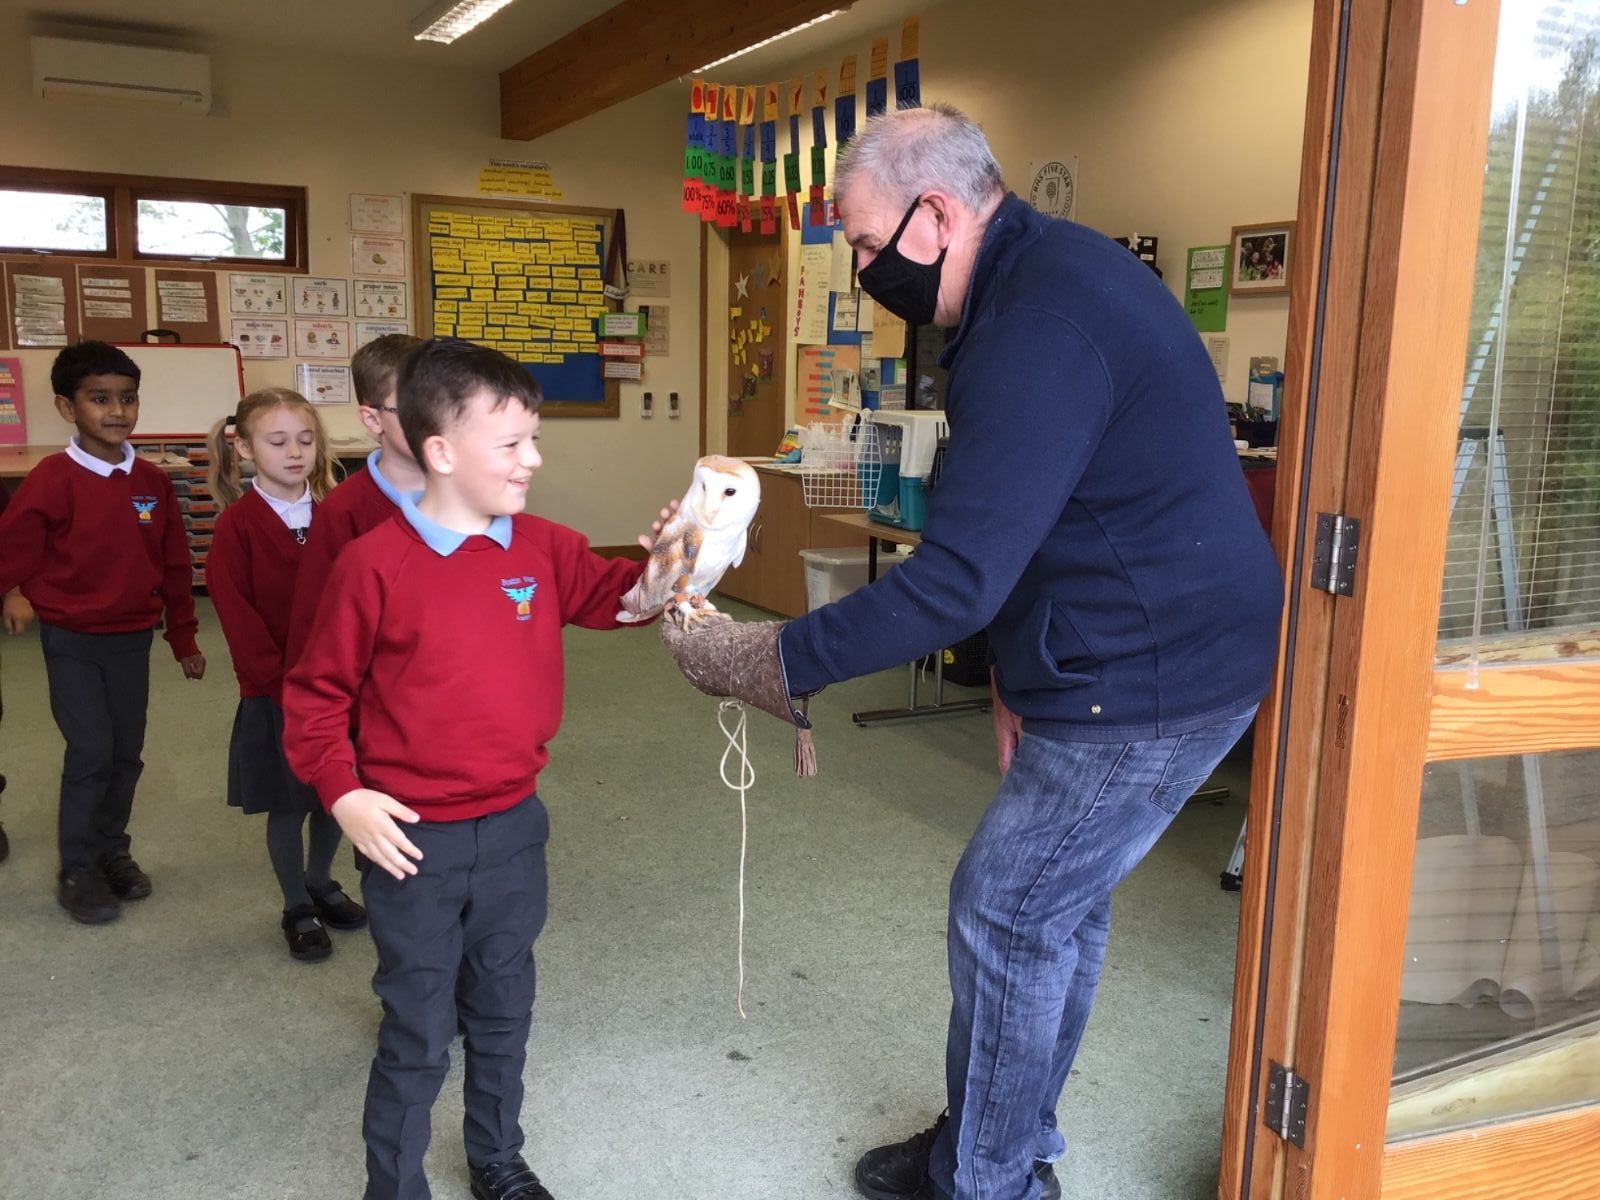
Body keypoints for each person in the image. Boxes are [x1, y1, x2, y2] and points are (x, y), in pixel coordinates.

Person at [661, 104, 1283, 1200]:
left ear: (937, 214)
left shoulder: (1036, 324)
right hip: (1137, 644)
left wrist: (776, 658)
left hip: (1153, 670)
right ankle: (998, 1142)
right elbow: (1036, 520)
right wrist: (1014, 674)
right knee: (1054, 905)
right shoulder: (1041, 276)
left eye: (865, 242)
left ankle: (988, 1179)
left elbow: (954, 579)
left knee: (1008, 911)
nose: (862, 270)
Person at [282, 338, 656, 1200]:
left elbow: (622, 599)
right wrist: (343, 795)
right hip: (412, 840)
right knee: (418, 1027)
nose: (534, 459)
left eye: (535, 438)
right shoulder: (372, 564)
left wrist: (685, 556)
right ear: (442, 451)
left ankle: (496, 1157)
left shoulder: (545, 547)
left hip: (515, 828)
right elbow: (313, 696)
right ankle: (395, 1186)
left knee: (504, 1005)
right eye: (513, 442)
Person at [0, 340, 205, 923]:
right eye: (99, 399)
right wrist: (13, 592)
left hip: (131, 640)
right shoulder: (52, 479)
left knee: (125, 753)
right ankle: (79, 866)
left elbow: (173, 564)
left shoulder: (151, 481)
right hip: (73, 641)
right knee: (91, 750)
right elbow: (11, 551)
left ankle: (113, 850)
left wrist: (184, 637)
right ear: (68, 408)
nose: (117, 411)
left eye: (127, 398)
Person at [206, 387, 367, 961]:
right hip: (277, 698)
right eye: (277, 442)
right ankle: (296, 904)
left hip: (339, 691)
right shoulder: (236, 529)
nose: (294, 452)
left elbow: (357, 601)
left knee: (335, 795)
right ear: (246, 448)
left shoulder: (335, 517)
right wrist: (288, 693)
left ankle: (320, 881)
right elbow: (241, 626)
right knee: (289, 803)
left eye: (304, 440)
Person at [284, 332, 424, 668]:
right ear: (373, 419)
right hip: (377, 689)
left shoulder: (470, 494)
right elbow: (315, 622)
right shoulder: (343, 511)